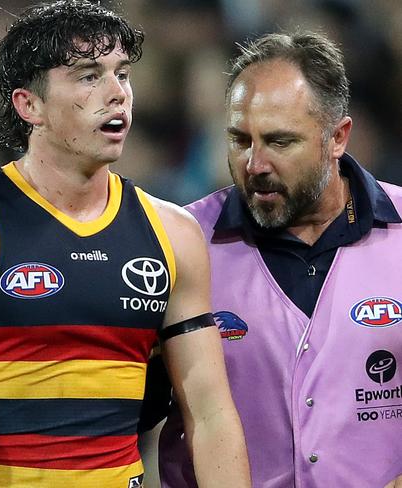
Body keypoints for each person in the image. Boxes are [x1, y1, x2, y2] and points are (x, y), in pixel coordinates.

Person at [0, 1, 250, 487]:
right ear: (30, 105)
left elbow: (210, 415)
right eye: (88, 76)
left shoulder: (172, 233)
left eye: (122, 74)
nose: (117, 94)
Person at [157, 31, 402, 488]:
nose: (255, 164)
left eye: (280, 141)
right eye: (239, 140)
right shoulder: (178, 243)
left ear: (337, 138)